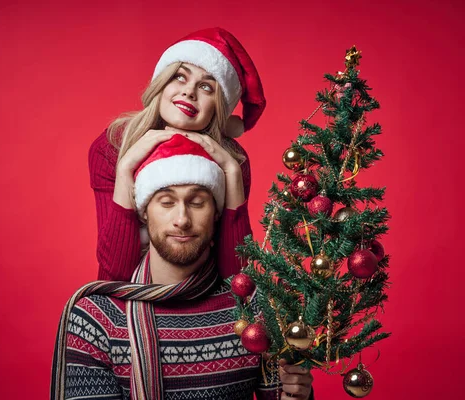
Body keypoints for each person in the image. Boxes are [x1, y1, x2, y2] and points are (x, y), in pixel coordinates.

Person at [52, 135, 314, 400]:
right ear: (144, 212)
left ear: (216, 213)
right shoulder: (96, 318)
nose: (182, 220)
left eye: (197, 202)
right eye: (166, 202)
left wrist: (296, 396)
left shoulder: (256, 310)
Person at [89, 27, 266, 281]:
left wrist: (233, 174)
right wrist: (126, 169)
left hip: (205, 297)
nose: (189, 92)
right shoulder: (112, 146)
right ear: (162, 83)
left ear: (219, 106)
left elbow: (236, 279)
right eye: (180, 77)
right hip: (133, 303)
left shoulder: (232, 159)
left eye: (206, 86)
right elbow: (115, 274)